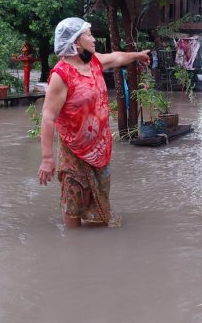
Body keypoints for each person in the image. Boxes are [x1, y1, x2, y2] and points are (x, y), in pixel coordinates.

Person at [38, 17, 150, 228]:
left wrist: (137, 56)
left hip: (100, 147)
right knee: (74, 201)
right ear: (76, 42)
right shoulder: (61, 75)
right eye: (88, 35)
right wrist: (46, 159)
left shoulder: (94, 62)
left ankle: (95, 251)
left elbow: (116, 58)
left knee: (100, 202)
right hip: (74, 150)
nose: (94, 39)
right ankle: (73, 251)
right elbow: (48, 117)